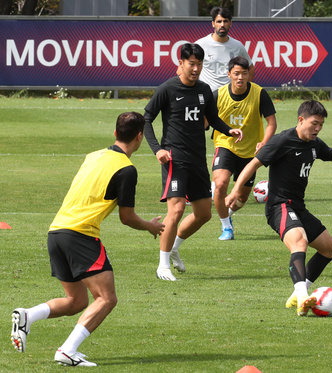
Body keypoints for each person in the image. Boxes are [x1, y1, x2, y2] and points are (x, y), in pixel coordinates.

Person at [10, 112, 165, 367]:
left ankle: (28, 315)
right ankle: (67, 350)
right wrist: (150, 226)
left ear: (115, 133)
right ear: (140, 137)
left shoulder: (93, 155)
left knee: (77, 301)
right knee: (107, 298)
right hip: (80, 235)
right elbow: (126, 217)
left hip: (57, 232)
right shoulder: (126, 169)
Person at [225, 100, 332, 316]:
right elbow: (254, 163)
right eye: (314, 123)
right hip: (279, 206)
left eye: (321, 125)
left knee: (328, 249)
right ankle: (303, 295)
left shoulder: (315, 145)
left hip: (298, 207)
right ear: (301, 120)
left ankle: (299, 292)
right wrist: (235, 191)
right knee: (300, 241)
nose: (318, 128)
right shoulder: (282, 141)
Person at [144, 43, 243, 282]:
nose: (196, 69)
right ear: (181, 63)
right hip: (174, 159)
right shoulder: (167, 89)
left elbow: (212, 118)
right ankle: (163, 265)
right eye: (192, 64)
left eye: (200, 64)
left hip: (198, 159)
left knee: (203, 214)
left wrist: (228, 130)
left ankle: (175, 246)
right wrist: (157, 150)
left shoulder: (204, 90)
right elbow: (146, 119)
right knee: (176, 210)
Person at [211, 56, 277, 240]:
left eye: (244, 73)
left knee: (241, 198)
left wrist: (264, 142)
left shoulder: (259, 93)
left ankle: (228, 215)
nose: (240, 77)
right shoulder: (218, 95)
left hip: (250, 152)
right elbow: (206, 121)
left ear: (249, 74)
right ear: (229, 74)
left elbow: (271, 122)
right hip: (225, 145)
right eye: (236, 73)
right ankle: (226, 228)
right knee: (221, 183)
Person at [178, 6, 254, 92]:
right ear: (213, 23)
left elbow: (250, 68)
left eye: (225, 21)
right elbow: (182, 69)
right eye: (219, 21)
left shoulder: (237, 46)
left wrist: (244, 90)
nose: (222, 25)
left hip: (229, 98)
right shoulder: (201, 44)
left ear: (230, 23)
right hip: (206, 95)